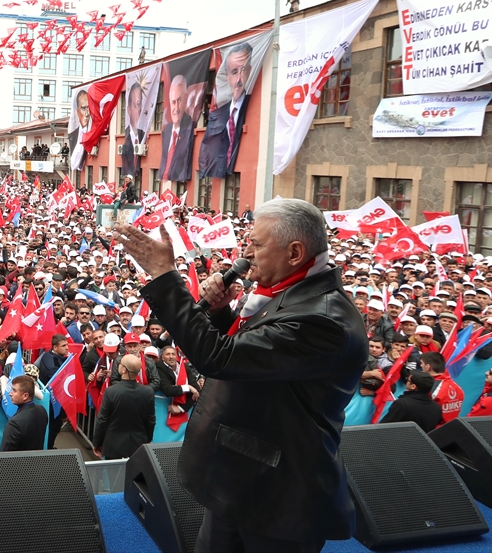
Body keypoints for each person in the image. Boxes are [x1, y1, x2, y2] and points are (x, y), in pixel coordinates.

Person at [116, 197, 367, 551]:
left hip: (279, 496)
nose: (245, 253)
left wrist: (164, 277)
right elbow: (255, 360)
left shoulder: (322, 320)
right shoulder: (288, 295)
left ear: (295, 253)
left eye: (257, 244)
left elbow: (220, 358)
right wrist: (220, 315)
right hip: (241, 479)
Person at [199, 41, 253, 179]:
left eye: (243, 70)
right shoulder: (218, 114)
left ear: (250, 70)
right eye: (234, 72)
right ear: (227, 78)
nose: (239, 79)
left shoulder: (251, 104)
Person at [92, 355, 157, 460]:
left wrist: (97, 443)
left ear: (124, 370)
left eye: (120, 363)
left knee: (114, 475)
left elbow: (102, 419)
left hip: (113, 445)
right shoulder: (148, 392)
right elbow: (151, 420)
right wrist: (148, 439)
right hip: (138, 444)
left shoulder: (111, 392)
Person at [160, 74, 196, 182]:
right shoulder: (166, 130)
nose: (176, 108)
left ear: (186, 99)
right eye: (173, 102)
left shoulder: (190, 126)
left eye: (179, 101)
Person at [0, 374, 47, 452]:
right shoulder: (42, 410)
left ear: (25, 396)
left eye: (14, 390)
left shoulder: (14, 424)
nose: (10, 393)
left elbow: (4, 455)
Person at [420, 352, 463, 426]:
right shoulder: (457, 387)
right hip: (452, 428)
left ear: (428, 367)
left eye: (421, 363)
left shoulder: (429, 387)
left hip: (434, 431)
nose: (420, 365)